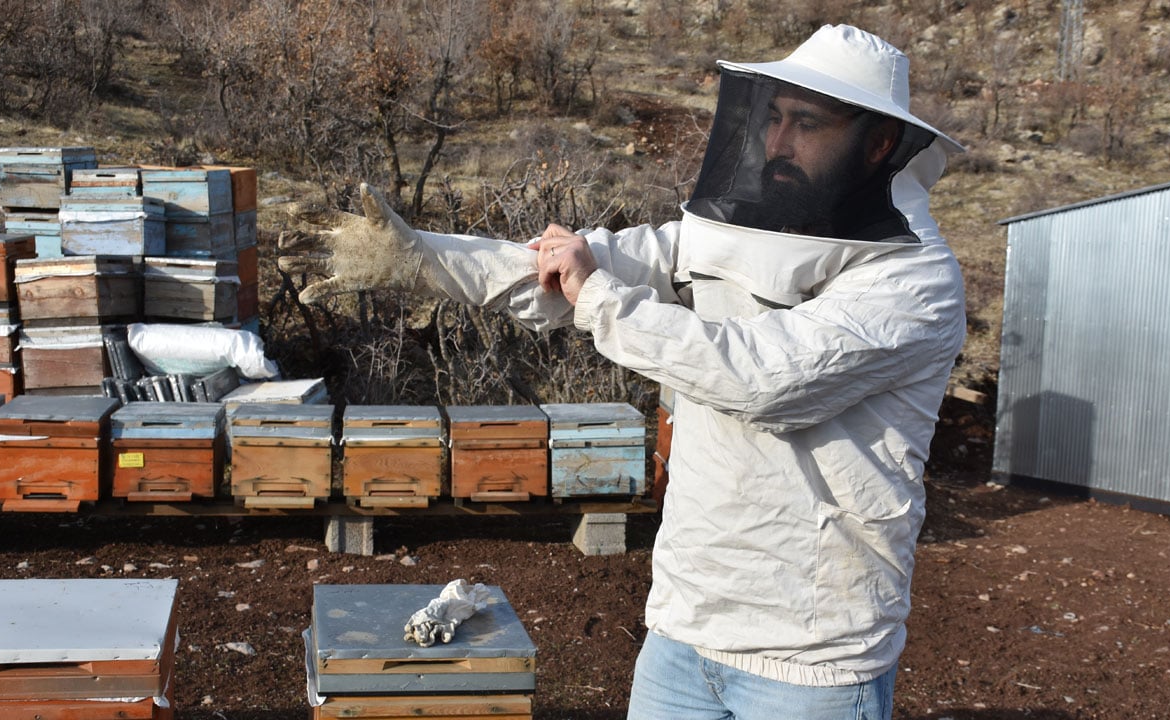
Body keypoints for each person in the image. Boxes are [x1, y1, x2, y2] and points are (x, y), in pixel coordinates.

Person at [279, 24, 966, 720]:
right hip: (682, 631)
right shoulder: (726, 233)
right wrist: (418, 258)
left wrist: (600, 298)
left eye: (808, 124)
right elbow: (565, 268)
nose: (778, 142)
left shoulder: (913, 283)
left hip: (813, 662)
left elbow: (765, 381)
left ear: (878, 143)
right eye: (775, 117)